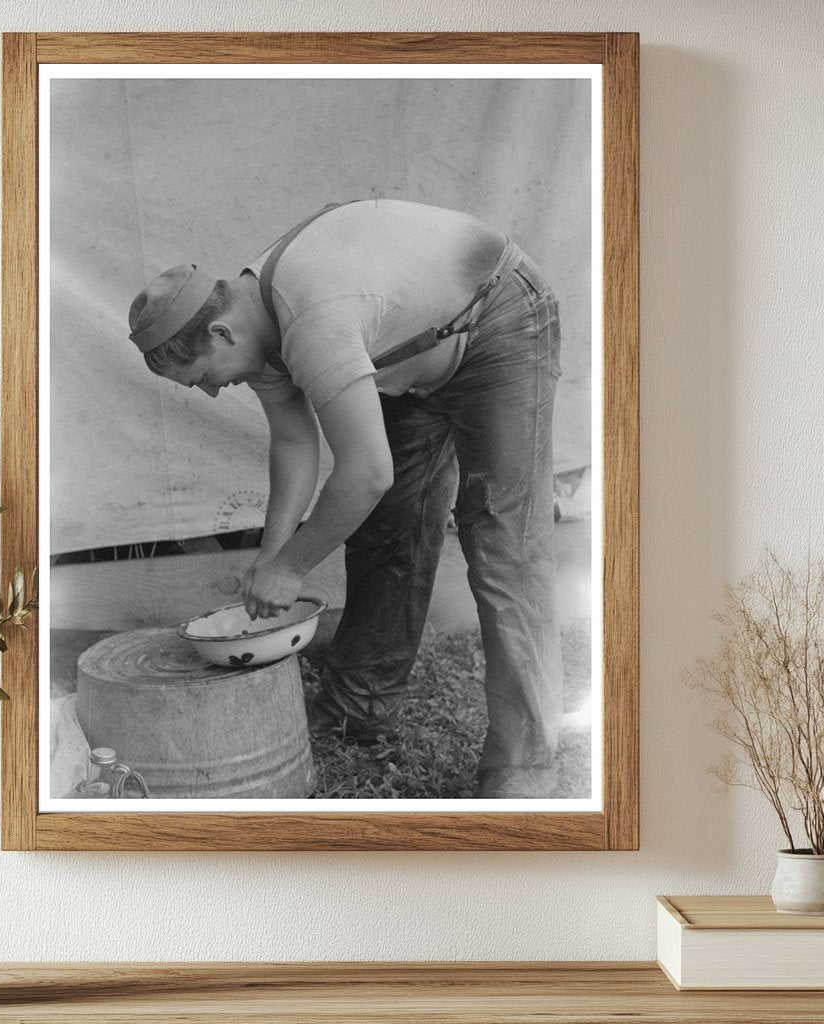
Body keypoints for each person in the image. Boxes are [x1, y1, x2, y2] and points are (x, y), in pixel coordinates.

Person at [128, 199, 564, 798]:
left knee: (503, 542)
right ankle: (359, 705)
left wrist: (292, 567)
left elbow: (364, 474)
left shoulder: (313, 321)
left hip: (498, 319)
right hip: (410, 343)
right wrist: (272, 556)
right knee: (390, 525)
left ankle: (525, 764)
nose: (211, 391)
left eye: (204, 376)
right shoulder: (252, 321)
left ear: (220, 331)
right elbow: (292, 439)